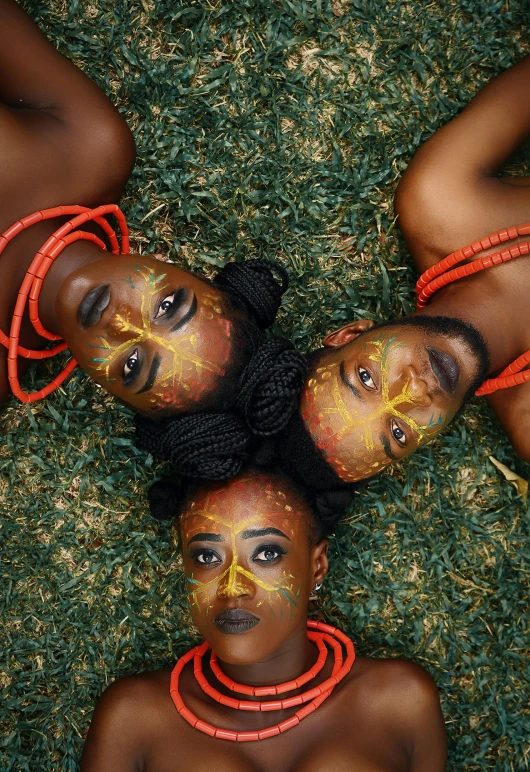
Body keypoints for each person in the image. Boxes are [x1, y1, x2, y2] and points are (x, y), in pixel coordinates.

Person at [0, 0, 306, 469]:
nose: (121, 323)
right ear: (184, 271)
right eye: (167, 307)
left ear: (107, 388)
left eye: (132, 366)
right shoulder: (89, 148)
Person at [261, 55, 530, 492]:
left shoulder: (442, 201)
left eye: (366, 379)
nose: (414, 393)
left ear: (350, 334)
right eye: (398, 433)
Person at [81, 469, 447, 771]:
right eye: (207, 557)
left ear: (317, 565)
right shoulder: (134, 718)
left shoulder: (400, 701)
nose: (233, 586)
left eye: (267, 553)